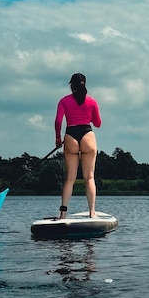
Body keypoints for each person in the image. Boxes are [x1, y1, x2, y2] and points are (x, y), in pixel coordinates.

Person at [55, 73, 102, 219]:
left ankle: (63, 214)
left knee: (70, 178)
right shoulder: (92, 101)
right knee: (89, 177)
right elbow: (98, 123)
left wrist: (58, 137)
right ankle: (92, 213)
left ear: (71, 85)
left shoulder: (64, 101)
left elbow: (58, 121)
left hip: (70, 135)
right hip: (87, 134)